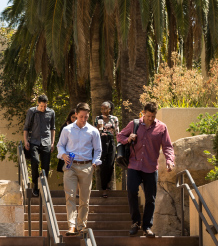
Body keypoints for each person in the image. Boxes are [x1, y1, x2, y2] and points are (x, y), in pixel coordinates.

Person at [116, 102, 175, 238]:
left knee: (151, 198)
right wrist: (128, 138)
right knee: (131, 191)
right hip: (134, 165)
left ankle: (147, 226)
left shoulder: (162, 127)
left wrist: (169, 161)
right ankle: (135, 222)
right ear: (143, 113)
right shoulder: (134, 124)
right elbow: (120, 136)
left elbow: (167, 146)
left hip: (150, 167)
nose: (150, 119)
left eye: (153, 116)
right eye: (148, 116)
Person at [57, 102, 102, 236]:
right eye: (81, 116)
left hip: (87, 166)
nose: (83, 119)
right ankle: (72, 226)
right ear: (76, 114)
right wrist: (63, 155)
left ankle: (81, 225)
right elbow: (60, 146)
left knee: (84, 199)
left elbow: (98, 150)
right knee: (70, 196)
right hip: (70, 166)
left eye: (86, 117)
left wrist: (94, 162)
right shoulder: (67, 130)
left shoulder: (93, 131)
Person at [24, 94, 56, 197]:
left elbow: (52, 128)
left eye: (45, 106)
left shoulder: (51, 112)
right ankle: (35, 186)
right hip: (34, 141)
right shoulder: (32, 112)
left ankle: (44, 186)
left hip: (46, 142)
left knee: (45, 166)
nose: (43, 108)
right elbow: (26, 127)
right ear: (38, 103)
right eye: (41, 106)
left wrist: (52, 143)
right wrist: (25, 141)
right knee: (35, 162)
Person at [95, 101, 119, 198]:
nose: (103, 110)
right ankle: (104, 188)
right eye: (102, 108)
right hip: (101, 141)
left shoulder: (114, 118)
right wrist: (98, 128)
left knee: (110, 164)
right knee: (103, 164)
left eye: (105, 108)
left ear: (110, 109)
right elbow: (95, 132)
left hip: (111, 141)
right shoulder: (98, 118)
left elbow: (117, 131)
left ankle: (108, 184)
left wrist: (119, 144)